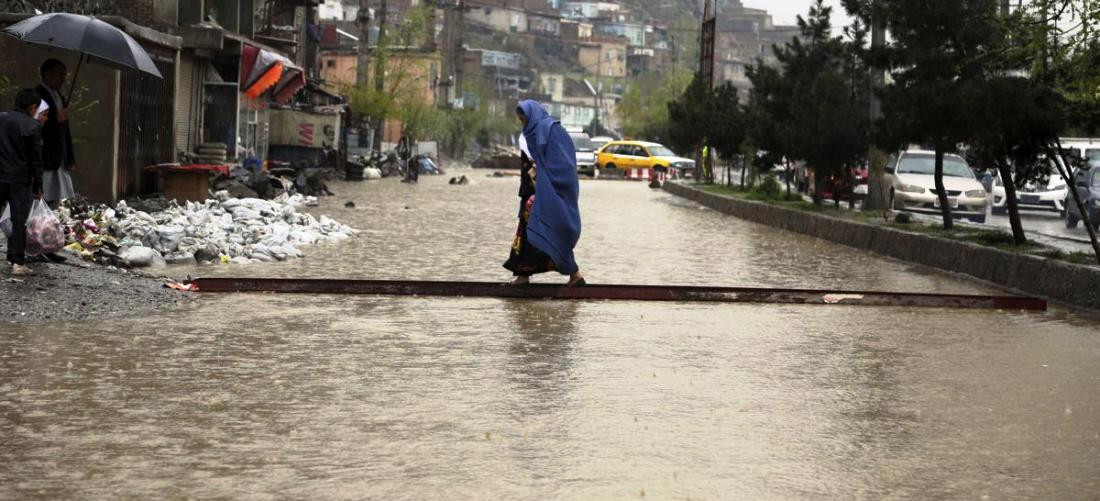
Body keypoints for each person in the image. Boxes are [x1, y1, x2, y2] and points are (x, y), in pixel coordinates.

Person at [503, 100, 585, 287]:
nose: (523, 124)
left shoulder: (550, 132)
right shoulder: (528, 136)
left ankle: (574, 274)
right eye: (520, 120)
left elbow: (563, 163)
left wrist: (543, 182)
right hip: (530, 193)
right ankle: (526, 275)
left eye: (524, 119)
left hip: (544, 194)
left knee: (550, 230)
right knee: (529, 232)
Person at [0, 89, 46, 276]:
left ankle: (13, 257)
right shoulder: (32, 126)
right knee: (19, 221)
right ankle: (17, 262)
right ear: (32, 107)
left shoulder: (1, 118)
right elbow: (36, 160)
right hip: (20, 180)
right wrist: (38, 186)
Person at [36, 59, 74, 263]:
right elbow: (33, 125)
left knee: (53, 204)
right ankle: (35, 245)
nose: (62, 79)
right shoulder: (37, 96)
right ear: (47, 74)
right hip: (44, 158)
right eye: (59, 74)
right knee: (40, 202)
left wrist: (70, 156)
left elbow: (66, 130)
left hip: (58, 157)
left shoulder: (59, 96)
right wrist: (54, 119)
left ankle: (48, 246)